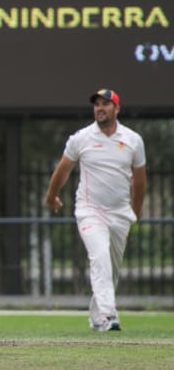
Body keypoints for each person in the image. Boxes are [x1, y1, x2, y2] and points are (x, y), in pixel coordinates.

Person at [45, 88, 146, 332]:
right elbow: (63, 169)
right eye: (97, 104)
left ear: (117, 109)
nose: (100, 108)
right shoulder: (81, 138)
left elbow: (140, 181)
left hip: (120, 213)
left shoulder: (133, 140)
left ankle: (96, 316)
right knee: (99, 256)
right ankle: (109, 314)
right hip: (90, 210)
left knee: (110, 267)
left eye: (106, 104)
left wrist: (135, 214)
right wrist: (51, 196)